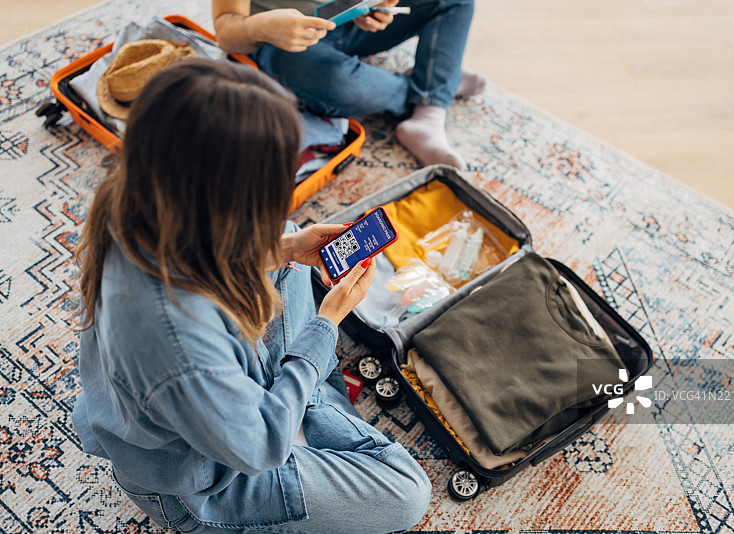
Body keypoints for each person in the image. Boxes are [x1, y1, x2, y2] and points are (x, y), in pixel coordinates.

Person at [71, 58, 431, 534]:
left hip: (204, 401)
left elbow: (202, 257)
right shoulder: (178, 340)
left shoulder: (137, 200)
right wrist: (326, 326)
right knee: (408, 492)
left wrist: (283, 248)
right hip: (203, 486)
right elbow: (260, 449)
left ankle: (297, 403)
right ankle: (301, 405)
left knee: (287, 241)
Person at [211, 0, 486, 170]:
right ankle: (436, 83)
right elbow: (225, 31)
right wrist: (263, 28)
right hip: (280, 41)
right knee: (341, 85)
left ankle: (431, 106)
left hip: (344, 17)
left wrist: (371, 6)